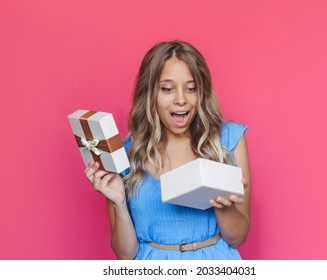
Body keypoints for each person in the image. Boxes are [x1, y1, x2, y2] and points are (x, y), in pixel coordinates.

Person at [84, 40, 251, 260]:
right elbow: (125, 255)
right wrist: (119, 203)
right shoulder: (123, 154)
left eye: (191, 89)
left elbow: (237, 237)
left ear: (202, 93)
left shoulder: (228, 140)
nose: (181, 99)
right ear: (150, 94)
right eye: (167, 89)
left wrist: (219, 201)